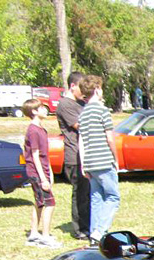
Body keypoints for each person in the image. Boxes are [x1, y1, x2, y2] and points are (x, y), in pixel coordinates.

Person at [78, 75, 120, 244]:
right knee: (113, 197)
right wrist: (115, 158)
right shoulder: (102, 111)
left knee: (96, 197)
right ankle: (100, 231)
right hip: (104, 161)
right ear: (96, 90)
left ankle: (94, 232)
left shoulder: (83, 113)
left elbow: (81, 140)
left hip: (89, 162)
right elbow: (110, 137)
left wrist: (83, 164)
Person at [56, 71, 90, 240]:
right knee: (80, 194)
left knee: (87, 194)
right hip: (75, 156)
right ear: (72, 86)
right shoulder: (65, 104)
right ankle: (80, 229)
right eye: (81, 87)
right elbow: (81, 125)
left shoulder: (80, 103)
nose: (84, 91)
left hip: (85, 154)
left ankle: (87, 225)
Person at [21, 98, 59, 248]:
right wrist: (43, 178)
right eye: (41, 108)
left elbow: (45, 155)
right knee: (50, 203)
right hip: (36, 172)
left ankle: (33, 234)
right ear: (34, 111)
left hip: (42, 171)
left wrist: (50, 173)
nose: (45, 109)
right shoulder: (33, 131)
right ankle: (45, 236)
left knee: (39, 202)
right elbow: (35, 155)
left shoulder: (42, 129)